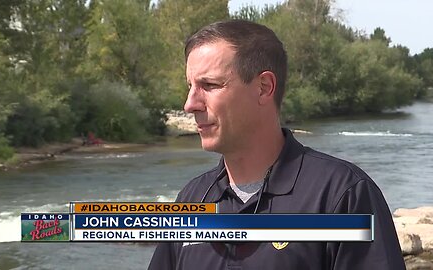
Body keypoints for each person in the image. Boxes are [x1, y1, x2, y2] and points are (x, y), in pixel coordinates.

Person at [148, 19, 405, 270]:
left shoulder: (342, 195)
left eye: (210, 85)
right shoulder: (192, 198)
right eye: (190, 86)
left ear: (263, 88)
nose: (190, 104)